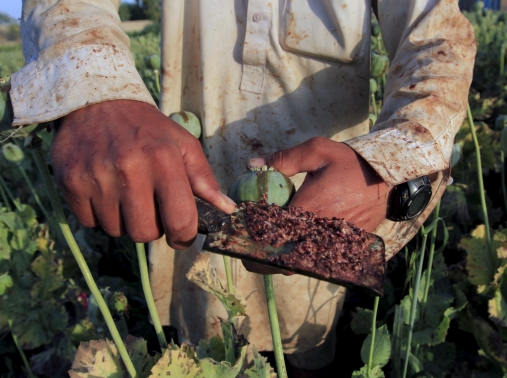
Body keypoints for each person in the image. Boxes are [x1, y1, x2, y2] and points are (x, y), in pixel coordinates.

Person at [10, 0, 475, 376]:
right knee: (208, 340)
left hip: (326, 202)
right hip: (190, 201)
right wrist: (95, 88)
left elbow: (438, 37)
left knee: (307, 340)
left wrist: (387, 162)